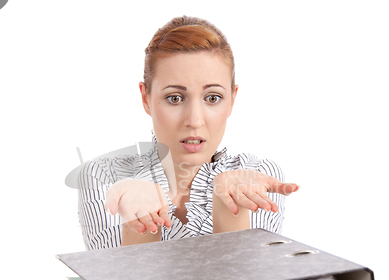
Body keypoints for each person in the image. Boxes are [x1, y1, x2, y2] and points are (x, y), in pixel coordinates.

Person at [78, 16, 299, 250]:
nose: (194, 121)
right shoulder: (103, 175)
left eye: (212, 98)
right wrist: (139, 225)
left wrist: (230, 209)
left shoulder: (257, 174)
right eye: (174, 98)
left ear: (232, 99)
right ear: (146, 99)